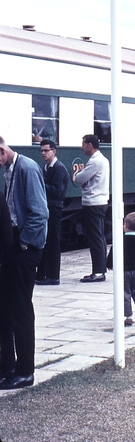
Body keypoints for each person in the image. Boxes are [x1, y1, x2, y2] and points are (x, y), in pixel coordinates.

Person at [0, 136, 48, 390]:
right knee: (8, 308)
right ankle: (9, 367)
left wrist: (23, 242)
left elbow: (40, 213)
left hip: (26, 246)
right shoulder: (11, 168)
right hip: (16, 243)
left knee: (20, 309)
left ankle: (25, 371)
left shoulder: (27, 168)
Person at [73, 134, 110, 283]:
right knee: (98, 237)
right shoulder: (102, 160)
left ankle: (99, 272)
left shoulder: (95, 162)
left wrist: (76, 174)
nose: (82, 147)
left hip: (93, 203)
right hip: (99, 202)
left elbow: (79, 179)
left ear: (90, 145)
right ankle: (100, 269)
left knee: (95, 238)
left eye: (83, 144)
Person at [106, 212, 135, 327]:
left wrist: (109, 264)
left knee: (125, 293)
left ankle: (129, 317)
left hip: (124, 272)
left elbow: (113, 252)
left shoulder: (120, 240)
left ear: (125, 225)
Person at [35, 140, 69, 286]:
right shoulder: (47, 167)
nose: (43, 153)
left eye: (46, 150)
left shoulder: (59, 168)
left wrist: (40, 183)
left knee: (53, 241)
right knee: (46, 240)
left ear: (54, 151)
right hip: (48, 207)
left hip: (54, 207)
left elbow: (57, 191)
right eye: (41, 151)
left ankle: (53, 276)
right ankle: (42, 274)